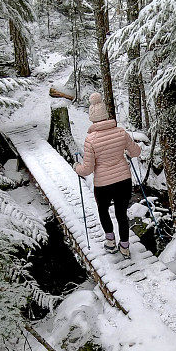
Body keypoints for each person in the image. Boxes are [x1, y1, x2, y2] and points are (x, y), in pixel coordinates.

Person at [74, 92, 142, 259]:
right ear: (106, 115)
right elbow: (136, 152)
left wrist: (77, 167)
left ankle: (110, 242)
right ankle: (125, 247)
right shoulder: (120, 132)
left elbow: (88, 169)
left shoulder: (90, 140)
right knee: (121, 213)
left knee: (103, 210)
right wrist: (124, 151)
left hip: (103, 184)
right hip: (123, 181)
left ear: (92, 118)